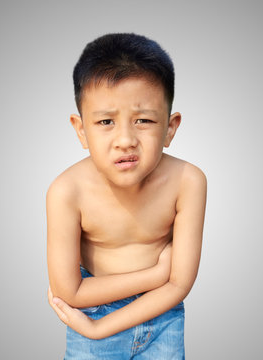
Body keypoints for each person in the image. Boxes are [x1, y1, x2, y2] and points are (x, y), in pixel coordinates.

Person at [46, 33, 207, 359]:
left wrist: (99, 330)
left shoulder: (188, 181)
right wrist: (157, 274)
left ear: (170, 128)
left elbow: (181, 284)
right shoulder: (67, 191)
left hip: (163, 316)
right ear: (81, 130)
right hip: (94, 309)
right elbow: (69, 291)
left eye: (143, 120)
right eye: (106, 121)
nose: (125, 140)